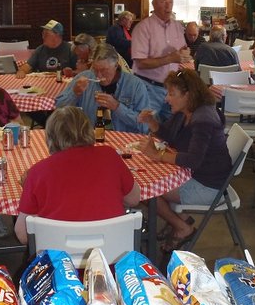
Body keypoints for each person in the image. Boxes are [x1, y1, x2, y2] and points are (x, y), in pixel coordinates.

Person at [14, 106, 140, 244]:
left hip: (59, 261)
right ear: (88, 129)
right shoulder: (109, 155)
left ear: (50, 137)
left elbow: (23, 234)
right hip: (111, 256)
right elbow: (134, 199)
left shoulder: (37, 172)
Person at [137, 69, 231, 251]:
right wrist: (152, 122)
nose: (166, 99)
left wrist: (158, 156)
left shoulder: (203, 118)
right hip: (194, 175)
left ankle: (182, 227)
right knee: (148, 184)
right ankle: (179, 220)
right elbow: (171, 137)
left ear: (188, 95)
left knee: (144, 190)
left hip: (208, 186)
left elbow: (193, 160)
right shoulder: (186, 112)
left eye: (171, 94)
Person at [55, 43, 150, 133]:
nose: (98, 75)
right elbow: (59, 109)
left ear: (116, 65)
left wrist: (117, 107)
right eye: (95, 69)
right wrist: (74, 93)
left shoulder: (135, 85)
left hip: (126, 144)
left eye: (104, 70)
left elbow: (144, 126)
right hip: (91, 140)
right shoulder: (84, 78)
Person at [131, 0, 192, 120]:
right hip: (148, 88)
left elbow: (182, 50)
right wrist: (170, 58)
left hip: (171, 88)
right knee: (145, 126)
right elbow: (140, 63)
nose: (168, 5)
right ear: (153, 4)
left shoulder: (177, 26)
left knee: (171, 130)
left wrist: (185, 53)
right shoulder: (143, 28)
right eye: (163, 1)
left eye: (171, 2)